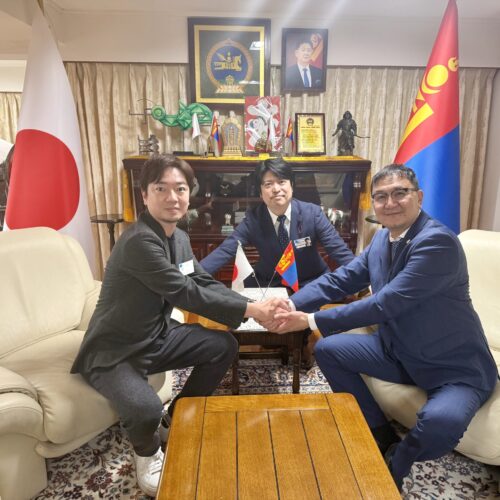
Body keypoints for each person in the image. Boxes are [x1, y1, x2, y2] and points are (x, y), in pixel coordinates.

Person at [270, 164, 498, 490]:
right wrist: (291, 304)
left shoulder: (437, 243)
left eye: (399, 193)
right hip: (398, 351)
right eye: (381, 197)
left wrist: (309, 320)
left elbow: (384, 304)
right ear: (374, 203)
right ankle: (380, 434)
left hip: (454, 367)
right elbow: (342, 279)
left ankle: (395, 463)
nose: (390, 203)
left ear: (419, 197)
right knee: (329, 349)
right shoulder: (382, 239)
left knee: (439, 424)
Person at [71, 154, 277, 497]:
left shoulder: (178, 236)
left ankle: (176, 417)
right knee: (146, 408)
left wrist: (249, 303)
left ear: (189, 194)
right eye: (161, 188)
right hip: (115, 350)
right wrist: (253, 310)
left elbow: (200, 280)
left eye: (180, 189)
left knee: (223, 346)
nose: (173, 197)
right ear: (144, 195)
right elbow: (184, 292)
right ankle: (147, 454)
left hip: (157, 335)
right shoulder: (139, 241)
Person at [200, 157, 354, 290]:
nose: (276, 189)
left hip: (310, 282)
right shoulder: (253, 220)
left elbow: (338, 249)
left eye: (281, 182)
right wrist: (193, 277)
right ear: (260, 192)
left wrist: (363, 274)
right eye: (268, 184)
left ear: (291, 186)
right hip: (270, 284)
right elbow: (226, 251)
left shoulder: (312, 213)